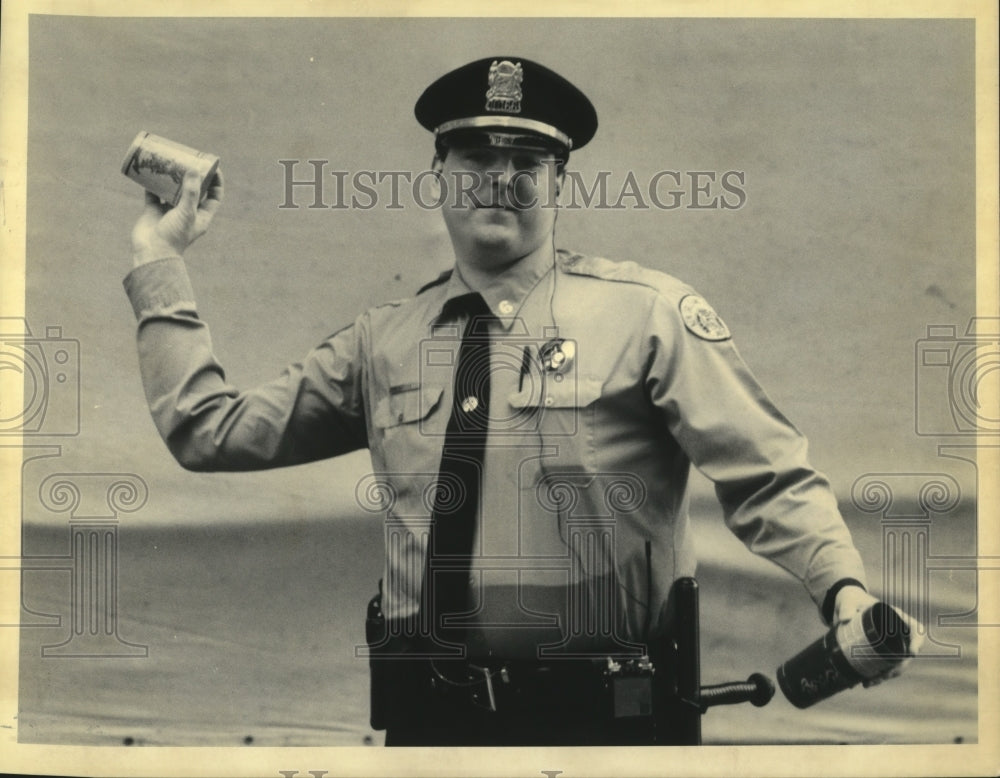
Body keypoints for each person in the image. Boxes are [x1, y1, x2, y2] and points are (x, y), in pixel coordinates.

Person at [124, 56, 905, 746]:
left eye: (526, 159)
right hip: (431, 730)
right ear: (439, 173)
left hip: (608, 731)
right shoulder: (381, 342)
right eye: (475, 155)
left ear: (560, 180)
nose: (500, 177)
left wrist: (843, 589)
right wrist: (160, 260)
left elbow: (768, 473)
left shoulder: (648, 316)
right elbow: (207, 432)